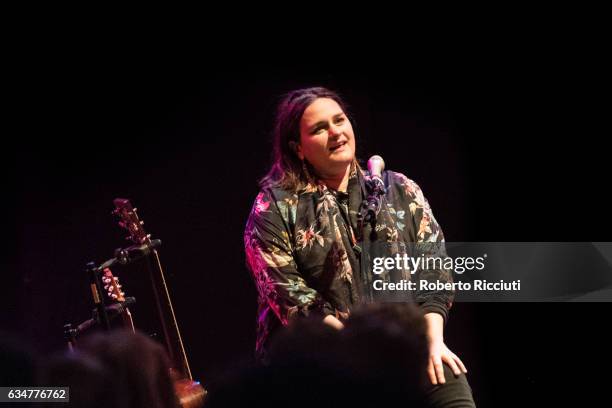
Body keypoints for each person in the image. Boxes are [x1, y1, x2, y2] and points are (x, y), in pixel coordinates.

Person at [244, 87, 475, 406]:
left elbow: (434, 271)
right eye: (319, 128)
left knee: (450, 384)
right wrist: (360, 354)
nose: (335, 131)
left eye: (339, 120)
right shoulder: (274, 207)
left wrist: (432, 340)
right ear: (298, 148)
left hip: (404, 350)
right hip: (322, 365)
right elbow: (292, 298)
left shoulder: (398, 189)